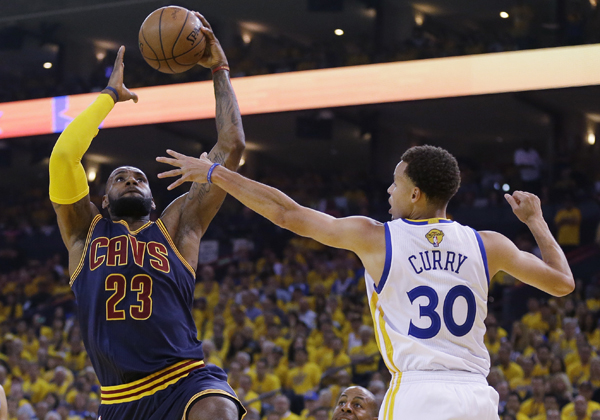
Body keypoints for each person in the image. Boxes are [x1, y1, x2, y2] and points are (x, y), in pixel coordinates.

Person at [157, 144, 575, 420]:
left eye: (396, 182)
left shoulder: (377, 236)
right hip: (478, 397)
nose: (389, 189)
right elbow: (561, 283)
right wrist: (536, 221)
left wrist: (215, 172)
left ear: (414, 194)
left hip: (418, 393)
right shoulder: (490, 244)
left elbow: (287, 213)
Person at [49, 14, 246, 420]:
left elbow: (232, 146)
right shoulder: (83, 233)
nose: (130, 179)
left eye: (138, 178)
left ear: (154, 200)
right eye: (119, 178)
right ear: (103, 201)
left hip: (185, 380)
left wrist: (219, 69)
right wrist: (108, 96)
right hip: (120, 399)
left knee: (217, 411)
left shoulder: (177, 226)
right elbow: (64, 156)